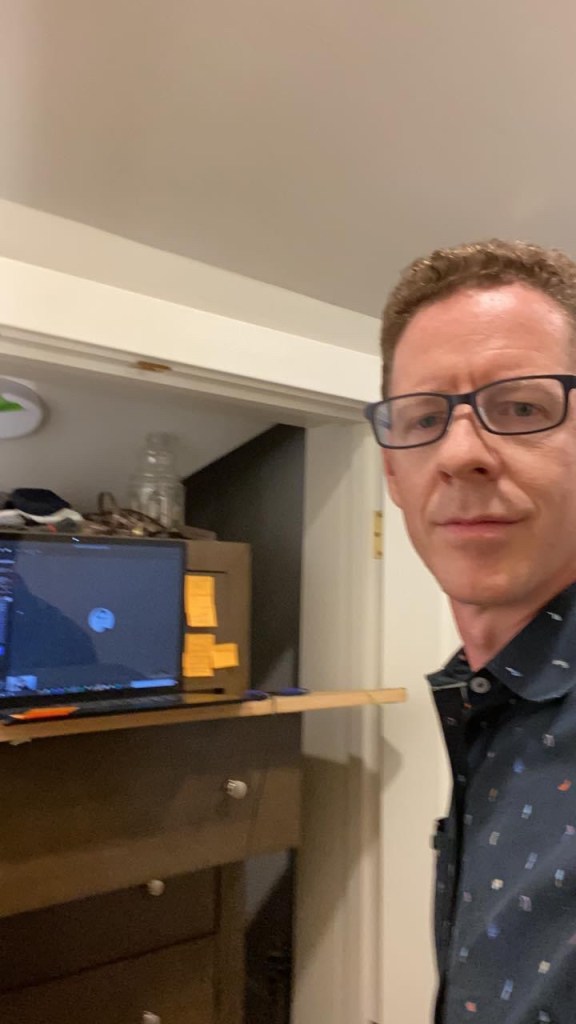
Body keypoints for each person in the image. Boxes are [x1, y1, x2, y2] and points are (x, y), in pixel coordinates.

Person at [365, 239, 576, 1024]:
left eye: (520, 408)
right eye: (424, 419)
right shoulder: (485, 695)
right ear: (393, 471)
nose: (459, 454)